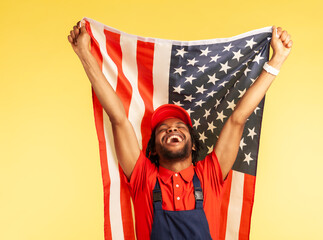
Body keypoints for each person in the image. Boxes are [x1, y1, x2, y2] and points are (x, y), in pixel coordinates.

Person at [68, 20, 292, 240]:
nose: (171, 129)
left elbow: (237, 119)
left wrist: (277, 60)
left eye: (178, 127)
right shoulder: (143, 177)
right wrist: (84, 54)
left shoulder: (210, 175)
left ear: (193, 143)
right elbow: (118, 118)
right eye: (163, 129)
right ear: (153, 149)